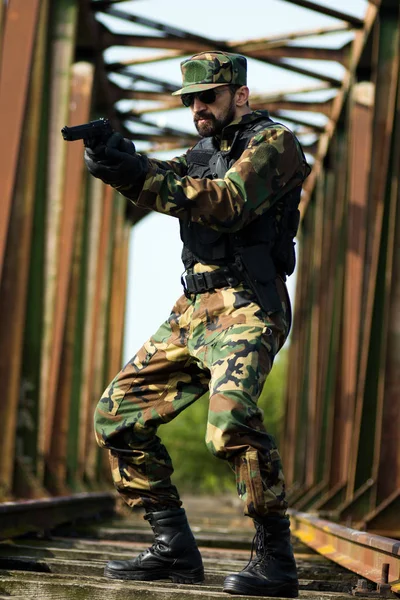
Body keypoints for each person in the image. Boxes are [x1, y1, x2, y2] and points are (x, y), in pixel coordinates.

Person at [85, 51, 310, 597]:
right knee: (117, 417)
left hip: (248, 306)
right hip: (192, 312)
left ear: (241, 94)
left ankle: (276, 559)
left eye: (208, 96)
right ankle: (174, 548)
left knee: (229, 421)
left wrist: (142, 176)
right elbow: (169, 180)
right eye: (189, 100)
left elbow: (228, 203)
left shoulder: (275, 145)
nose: (197, 108)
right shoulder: (202, 152)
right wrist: (121, 165)